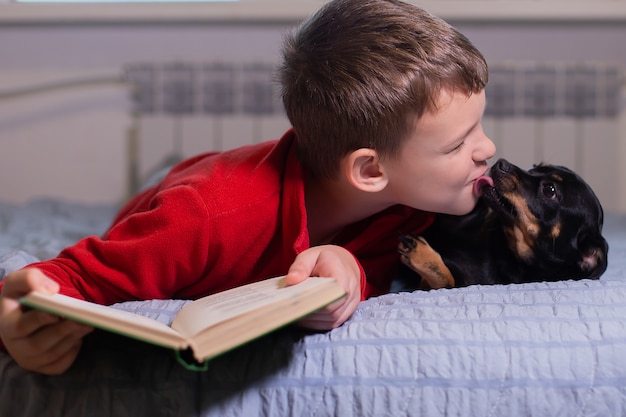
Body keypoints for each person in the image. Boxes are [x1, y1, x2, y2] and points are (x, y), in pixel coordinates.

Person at [0, 0, 495, 375]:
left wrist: (352, 272)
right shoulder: (201, 220)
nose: (487, 148)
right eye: (457, 145)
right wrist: (13, 323)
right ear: (369, 172)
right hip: (189, 195)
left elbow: (379, 264)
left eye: (479, 127)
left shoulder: (413, 209)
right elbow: (67, 278)